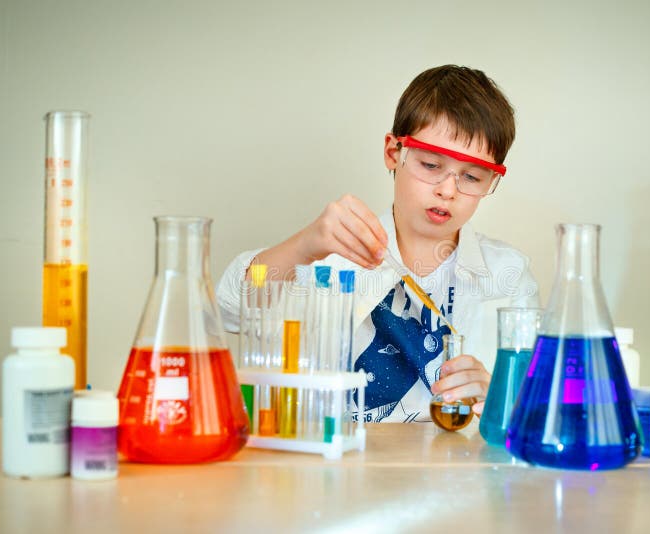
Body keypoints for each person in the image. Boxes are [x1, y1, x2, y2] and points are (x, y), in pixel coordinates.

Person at [217, 65, 539, 423]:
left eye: (472, 176)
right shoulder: (334, 254)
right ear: (393, 152)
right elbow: (232, 308)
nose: (448, 190)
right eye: (431, 164)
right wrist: (305, 246)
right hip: (342, 467)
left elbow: (537, 410)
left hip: (457, 474)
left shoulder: (509, 275)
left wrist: (497, 395)